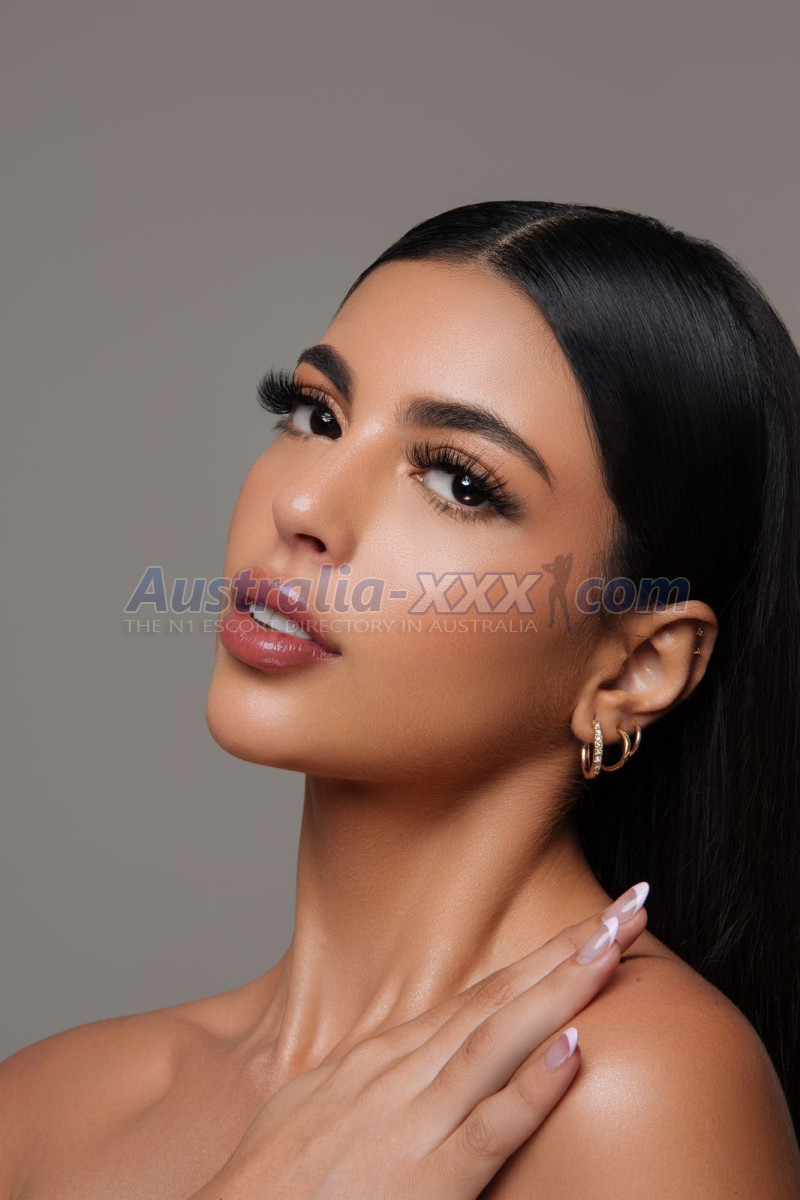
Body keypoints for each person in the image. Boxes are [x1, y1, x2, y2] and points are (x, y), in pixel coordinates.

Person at [2, 200, 799, 1197]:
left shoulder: (625, 1092)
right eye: (316, 416)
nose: (302, 504)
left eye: (459, 481)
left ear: (634, 668)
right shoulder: (45, 1110)